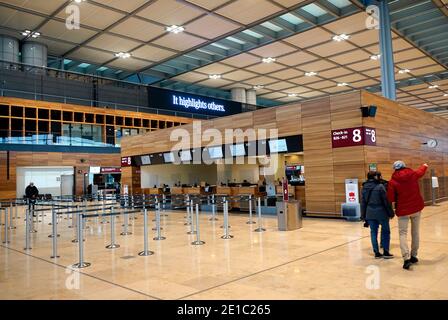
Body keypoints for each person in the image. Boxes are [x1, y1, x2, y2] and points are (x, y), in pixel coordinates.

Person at [387, 161, 428, 270]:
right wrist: (424, 165)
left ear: (394, 169)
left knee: (402, 233)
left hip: (403, 211)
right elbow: (421, 171)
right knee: (415, 232)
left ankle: (406, 258)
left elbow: (390, 198)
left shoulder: (392, 181)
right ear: (405, 166)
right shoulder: (413, 174)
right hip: (416, 209)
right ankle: (414, 256)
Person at [361, 171, 395, 259]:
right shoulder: (380, 186)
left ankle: (376, 252)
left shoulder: (364, 187)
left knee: (373, 232)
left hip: (370, 213)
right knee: (385, 231)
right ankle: (386, 252)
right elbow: (386, 201)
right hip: (381, 212)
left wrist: (363, 215)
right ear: (375, 177)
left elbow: (363, 203)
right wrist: (390, 212)